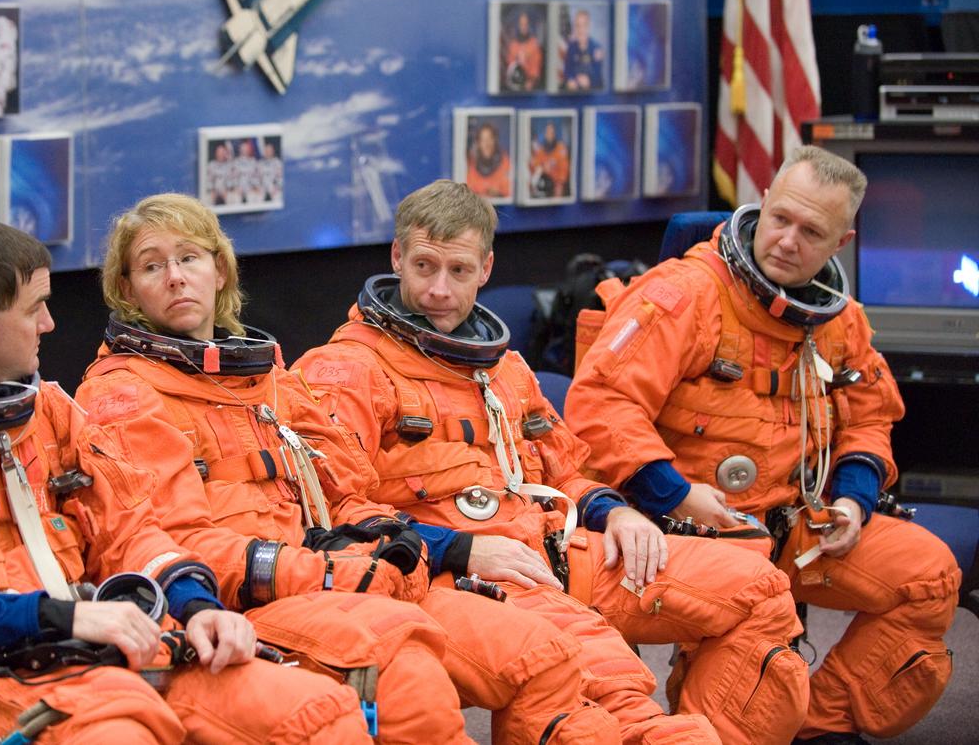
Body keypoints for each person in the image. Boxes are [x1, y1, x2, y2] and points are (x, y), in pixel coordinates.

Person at [0, 216, 373, 743]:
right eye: (35, 308)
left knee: (318, 713)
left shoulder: (52, 414)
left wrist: (196, 606)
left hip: (107, 657)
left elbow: (131, 530)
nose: (52, 324)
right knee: (118, 731)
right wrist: (56, 618)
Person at [76, 193, 622, 744]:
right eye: (152, 265)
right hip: (245, 603)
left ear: (219, 270)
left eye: (189, 258)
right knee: (414, 688)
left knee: (542, 656)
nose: (175, 278)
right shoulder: (124, 396)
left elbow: (349, 497)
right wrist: (326, 570)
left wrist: (415, 546)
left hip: (346, 576)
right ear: (127, 290)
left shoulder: (270, 380)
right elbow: (167, 542)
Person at [297, 179, 812, 745]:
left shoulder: (507, 370)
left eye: (459, 272)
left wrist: (615, 513)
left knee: (758, 588)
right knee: (608, 689)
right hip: (448, 571)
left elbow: (566, 472)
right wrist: (466, 547)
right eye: (423, 266)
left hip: (553, 550)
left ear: (487, 268)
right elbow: (334, 515)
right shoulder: (344, 372)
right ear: (397, 257)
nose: (438, 290)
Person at [566, 146, 961, 745]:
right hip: (692, 521)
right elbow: (603, 406)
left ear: (841, 242)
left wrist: (853, 502)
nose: (785, 240)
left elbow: (870, 418)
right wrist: (674, 495)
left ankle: (812, 722)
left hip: (801, 519)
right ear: (763, 201)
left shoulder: (840, 320)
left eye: (811, 232)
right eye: (780, 218)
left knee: (930, 577)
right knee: (752, 622)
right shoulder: (685, 295)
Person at [466, 122, 511, 200]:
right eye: (483, 140)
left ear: (495, 141)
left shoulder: (505, 163)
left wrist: (498, 194)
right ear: (478, 143)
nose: (487, 144)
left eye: (490, 139)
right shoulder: (471, 164)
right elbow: (468, 189)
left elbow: (509, 192)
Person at [562, 9, 604, 92]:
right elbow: (567, 70)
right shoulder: (571, 47)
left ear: (589, 27)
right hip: (574, 93)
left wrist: (590, 81)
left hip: (592, 93)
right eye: (578, 26)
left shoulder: (597, 48)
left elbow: (598, 75)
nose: (581, 30)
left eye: (584, 25)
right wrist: (571, 79)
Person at [503, 10, 544, 92]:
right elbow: (510, 66)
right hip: (514, 84)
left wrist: (531, 81)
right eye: (522, 24)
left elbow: (536, 67)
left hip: (530, 85)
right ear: (518, 25)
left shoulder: (534, 44)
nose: (524, 27)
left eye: (526, 24)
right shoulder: (513, 45)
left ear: (528, 25)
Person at [528, 120, 570, 200]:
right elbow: (535, 166)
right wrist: (542, 168)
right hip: (544, 185)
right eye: (547, 132)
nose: (549, 135)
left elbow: (563, 171)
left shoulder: (561, 149)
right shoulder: (540, 150)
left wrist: (559, 184)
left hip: (556, 186)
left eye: (551, 132)